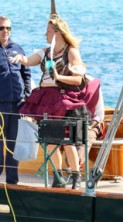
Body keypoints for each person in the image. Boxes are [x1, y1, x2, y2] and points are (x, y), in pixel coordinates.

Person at [11, 16, 100, 190]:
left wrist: (58, 77)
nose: (45, 34)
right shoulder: (45, 52)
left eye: (48, 31)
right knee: (51, 141)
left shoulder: (71, 52)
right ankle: (57, 177)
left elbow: (78, 79)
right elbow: (30, 60)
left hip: (64, 101)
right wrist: (21, 58)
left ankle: (75, 176)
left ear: (57, 33)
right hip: (46, 101)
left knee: (68, 141)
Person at [0, 15, 30, 185]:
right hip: (0, 105)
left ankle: (12, 182)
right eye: (2, 28)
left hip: (18, 104)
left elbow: (26, 74)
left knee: (13, 144)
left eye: (8, 28)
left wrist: (27, 94)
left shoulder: (17, 49)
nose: (5, 31)